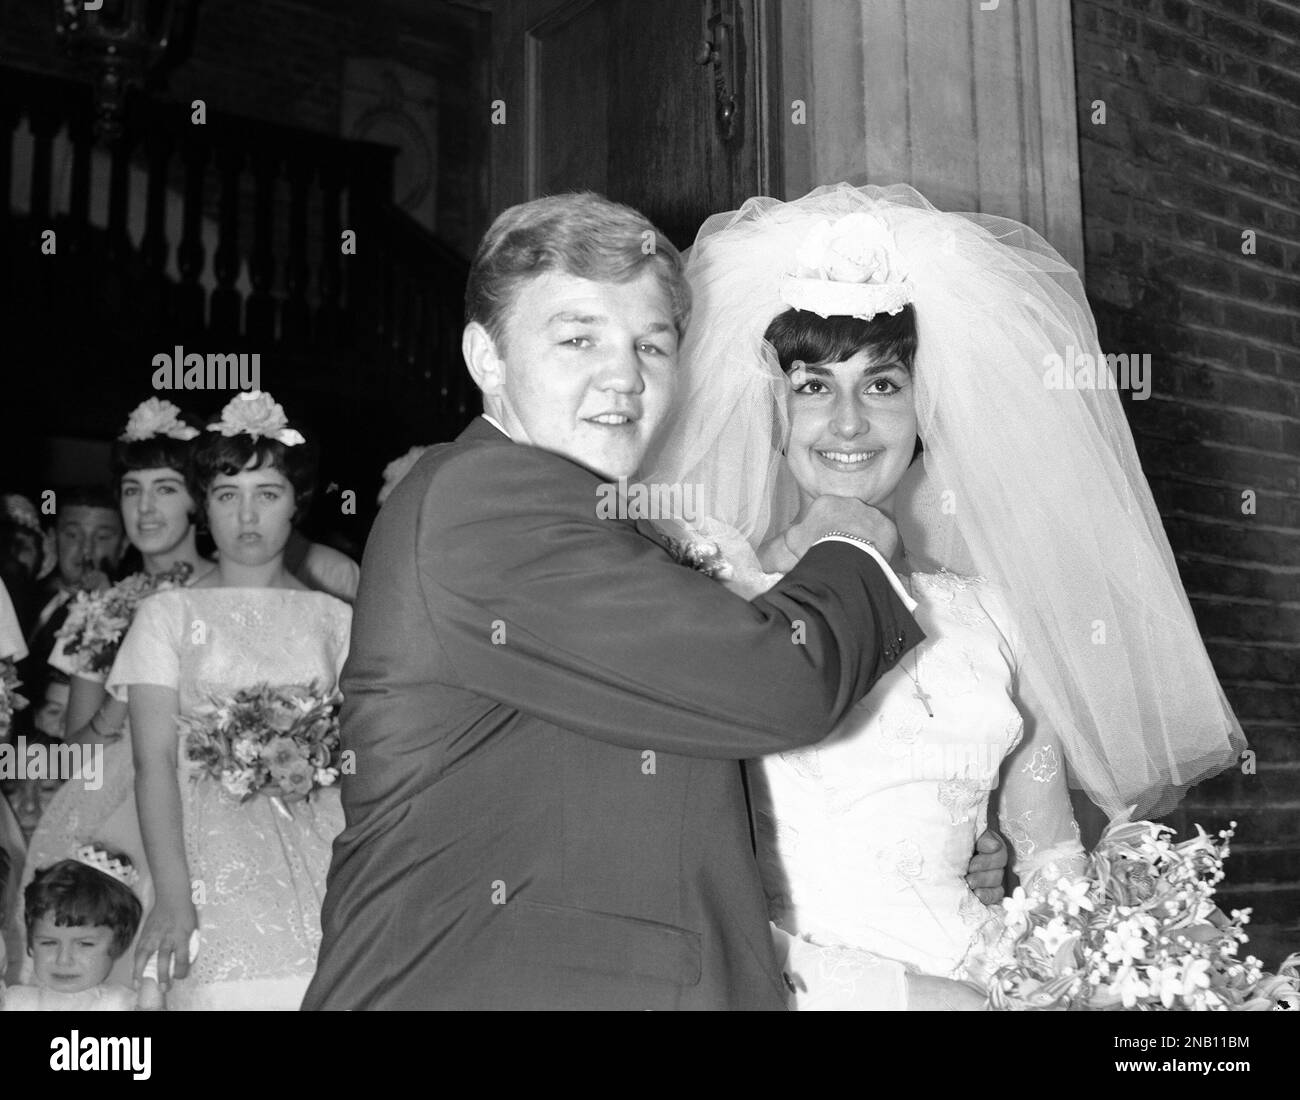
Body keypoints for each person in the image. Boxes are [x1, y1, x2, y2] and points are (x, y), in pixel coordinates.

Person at [304, 191, 1002, 1011]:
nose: (624, 377)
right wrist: (850, 541)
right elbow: (781, 684)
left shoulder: (590, 523)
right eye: (577, 338)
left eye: (652, 345)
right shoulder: (485, 495)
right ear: (486, 359)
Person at [648, 183, 1246, 1008]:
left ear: (922, 406)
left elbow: (1048, 851)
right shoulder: (707, 587)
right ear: (773, 411)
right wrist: (904, 995)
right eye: (814, 386)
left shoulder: (991, 613)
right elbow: (670, 875)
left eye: (883, 385)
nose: (850, 422)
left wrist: (1079, 977)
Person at [107, 390, 351, 1010]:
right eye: (226, 495)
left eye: (267, 494)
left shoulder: (336, 620)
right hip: (205, 863)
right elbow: (153, 762)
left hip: (324, 859)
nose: (247, 518)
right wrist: (172, 893)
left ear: (297, 503)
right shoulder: (166, 615)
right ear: (203, 507)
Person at [13, 399, 213, 988]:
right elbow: (74, 749)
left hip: (195, 794)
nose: (145, 507)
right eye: (132, 489)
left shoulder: (223, 593)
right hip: (106, 803)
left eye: (165, 488)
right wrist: (125, 699)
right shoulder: (99, 607)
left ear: (197, 499)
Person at [1, 845, 154, 1011]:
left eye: (85, 944)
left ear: (119, 943)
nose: (63, 960)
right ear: (30, 943)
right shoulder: (15, 1003)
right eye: (48, 943)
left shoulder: (123, 1005)